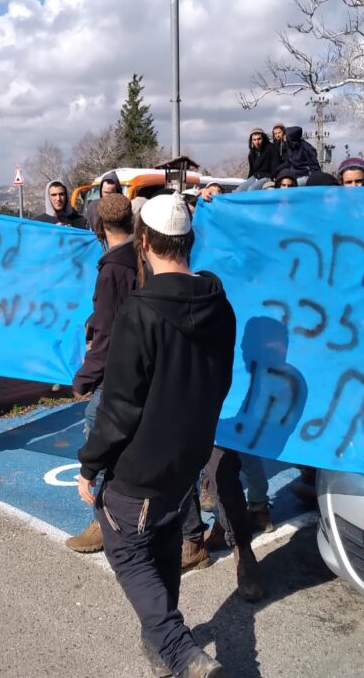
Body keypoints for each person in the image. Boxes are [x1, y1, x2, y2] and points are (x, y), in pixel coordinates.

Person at [77, 193, 236, 678]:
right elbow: (221, 380)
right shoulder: (219, 303)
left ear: (143, 242)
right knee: (164, 538)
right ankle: (162, 649)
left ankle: (180, 650)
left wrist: (89, 465)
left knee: (124, 546)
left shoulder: (140, 312)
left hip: (141, 464)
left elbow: (120, 408)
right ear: (189, 240)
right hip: (189, 455)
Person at [65, 194, 138, 554]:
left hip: (121, 369)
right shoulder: (144, 256)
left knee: (98, 426)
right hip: (148, 363)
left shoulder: (111, 270)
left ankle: (104, 519)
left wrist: (84, 377)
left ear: (99, 227)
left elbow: (109, 332)